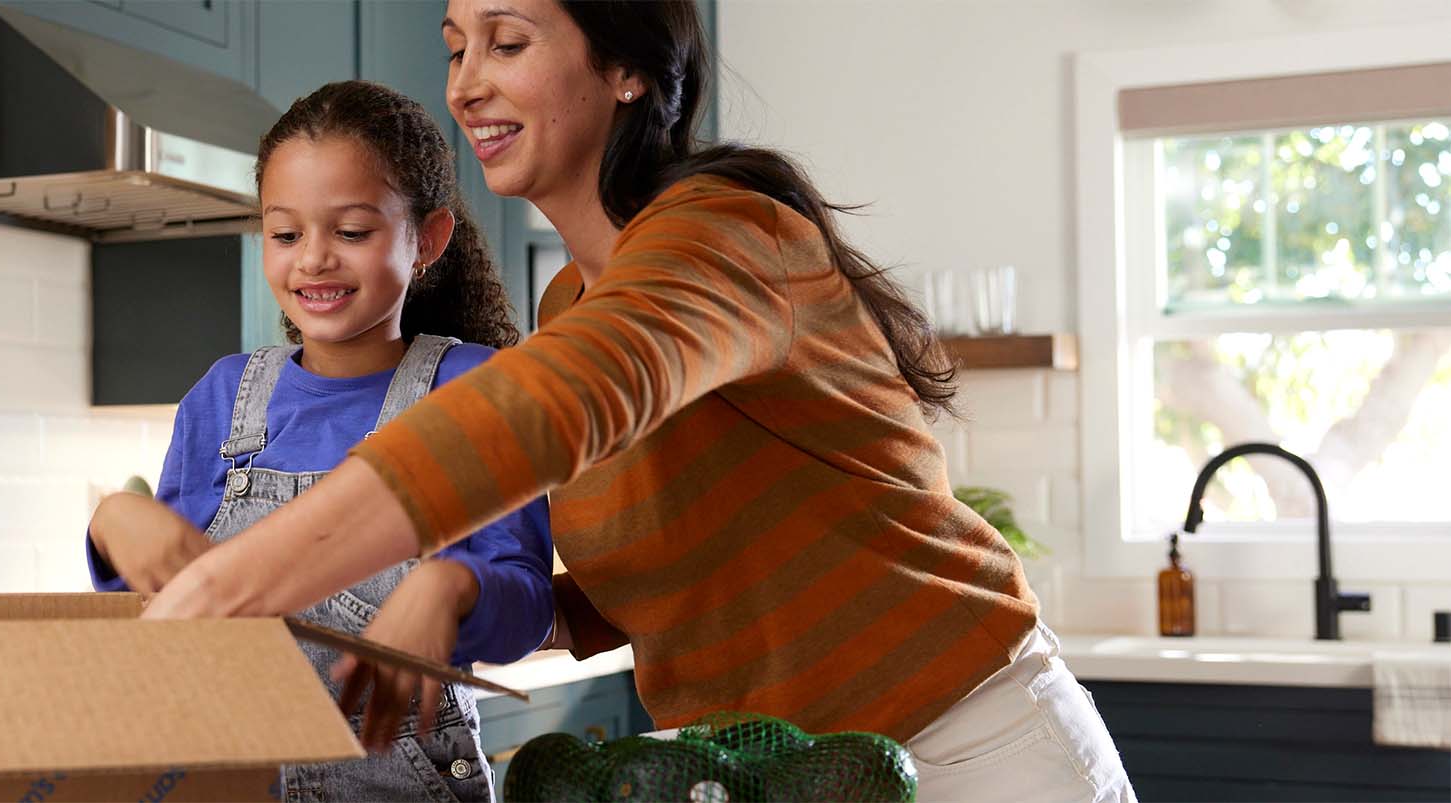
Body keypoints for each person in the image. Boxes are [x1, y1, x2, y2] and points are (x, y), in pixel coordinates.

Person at [108, 1, 1136, 800]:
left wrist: (235, 578)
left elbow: (548, 406)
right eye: (455, 45)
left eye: (505, 41)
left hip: (965, 747)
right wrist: (459, 594)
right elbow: (656, 565)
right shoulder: (571, 300)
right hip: (770, 771)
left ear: (627, 67)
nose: (465, 83)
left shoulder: (723, 235)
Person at [83, 80, 553, 802]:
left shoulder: (473, 388)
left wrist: (453, 584)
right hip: (228, 778)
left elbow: (525, 606)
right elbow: (170, 613)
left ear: (426, 239)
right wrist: (113, 524)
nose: (313, 260)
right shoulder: (221, 395)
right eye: (285, 233)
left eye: (352, 232)